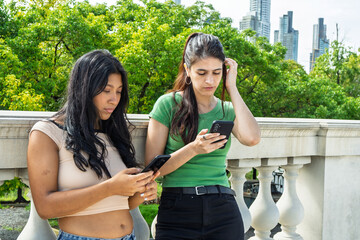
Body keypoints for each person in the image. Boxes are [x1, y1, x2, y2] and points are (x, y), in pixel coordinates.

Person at [27, 50, 159, 240]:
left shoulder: (112, 132)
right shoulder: (47, 133)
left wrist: (141, 191)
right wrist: (110, 187)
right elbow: (45, 207)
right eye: (106, 90)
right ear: (84, 88)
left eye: (119, 91)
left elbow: (122, 204)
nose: (114, 99)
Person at [145, 33, 261, 240]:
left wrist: (231, 87)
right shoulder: (168, 105)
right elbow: (153, 169)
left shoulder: (227, 109)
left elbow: (252, 138)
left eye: (217, 73)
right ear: (187, 70)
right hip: (177, 209)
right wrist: (193, 149)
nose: (210, 80)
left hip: (223, 207)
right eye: (201, 72)